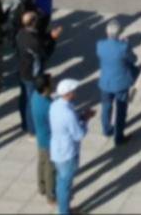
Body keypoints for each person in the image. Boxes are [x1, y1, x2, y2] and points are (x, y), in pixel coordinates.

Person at [50, 78, 89, 215]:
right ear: (69, 93)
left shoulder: (55, 105)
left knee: (60, 181)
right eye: (73, 91)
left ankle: (62, 208)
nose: (75, 93)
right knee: (65, 185)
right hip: (67, 153)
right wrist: (85, 120)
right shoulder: (68, 114)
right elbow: (79, 134)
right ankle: (64, 211)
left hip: (56, 150)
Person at [96, 21, 136, 144]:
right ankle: (119, 136)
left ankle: (106, 129)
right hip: (120, 82)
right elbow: (133, 59)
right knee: (121, 109)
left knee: (106, 107)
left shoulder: (100, 45)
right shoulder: (123, 47)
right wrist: (126, 43)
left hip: (106, 82)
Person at [30, 75, 57, 205]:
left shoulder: (35, 96)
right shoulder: (48, 106)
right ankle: (50, 195)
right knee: (50, 169)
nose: (53, 84)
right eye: (51, 83)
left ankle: (41, 187)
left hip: (41, 137)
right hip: (49, 140)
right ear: (45, 88)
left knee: (41, 163)